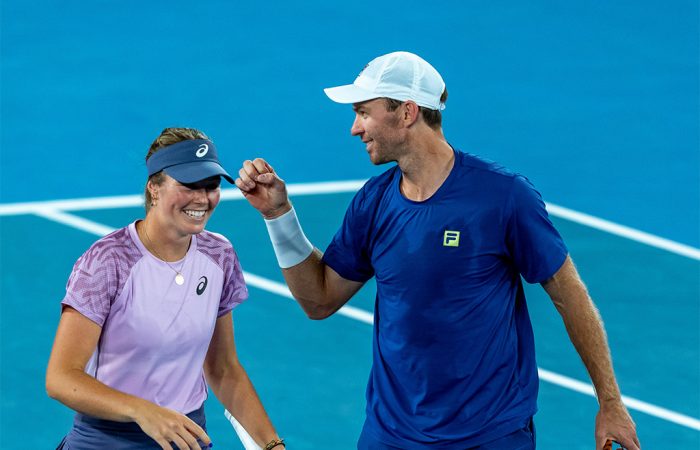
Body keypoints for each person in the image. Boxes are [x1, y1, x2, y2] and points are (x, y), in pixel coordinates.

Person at [235, 52, 641, 449]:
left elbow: (570, 295)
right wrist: (278, 215)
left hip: (490, 436)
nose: (355, 129)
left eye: (363, 112)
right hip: (390, 435)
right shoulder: (373, 203)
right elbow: (318, 300)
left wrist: (610, 403)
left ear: (407, 112)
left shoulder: (503, 197)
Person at [46, 127, 285, 450]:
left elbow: (224, 368)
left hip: (187, 438)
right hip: (106, 442)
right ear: (154, 189)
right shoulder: (107, 260)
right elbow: (61, 377)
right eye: (188, 185)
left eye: (211, 186)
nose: (202, 198)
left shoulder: (219, 254)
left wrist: (272, 446)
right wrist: (143, 411)